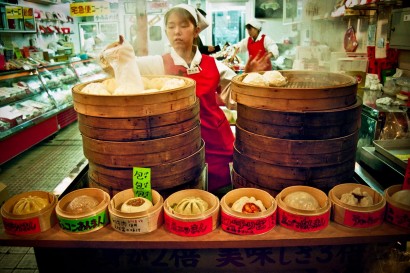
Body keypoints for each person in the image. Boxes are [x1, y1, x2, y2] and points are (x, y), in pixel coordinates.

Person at [100, 4, 270, 194]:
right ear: (165, 32)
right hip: (176, 147)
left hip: (216, 143)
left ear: (196, 30)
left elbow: (235, 96)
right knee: (185, 197)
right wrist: (115, 55)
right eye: (171, 27)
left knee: (223, 194)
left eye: (183, 25)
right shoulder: (158, 64)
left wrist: (247, 78)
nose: (177, 32)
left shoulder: (212, 64)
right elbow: (121, 69)